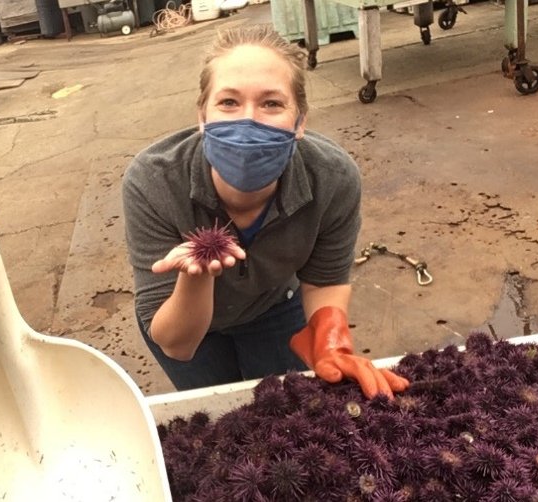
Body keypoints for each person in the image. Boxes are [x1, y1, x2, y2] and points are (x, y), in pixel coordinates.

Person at [122, 24, 410, 398]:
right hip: (180, 317)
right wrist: (195, 277)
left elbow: (324, 280)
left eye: (271, 103)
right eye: (229, 102)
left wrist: (331, 342)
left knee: (282, 411)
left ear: (301, 121)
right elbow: (177, 346)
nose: (249, 122)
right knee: (222, 414)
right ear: (202, 117)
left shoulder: (333, 178)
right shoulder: (152, 182)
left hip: (273, 306)